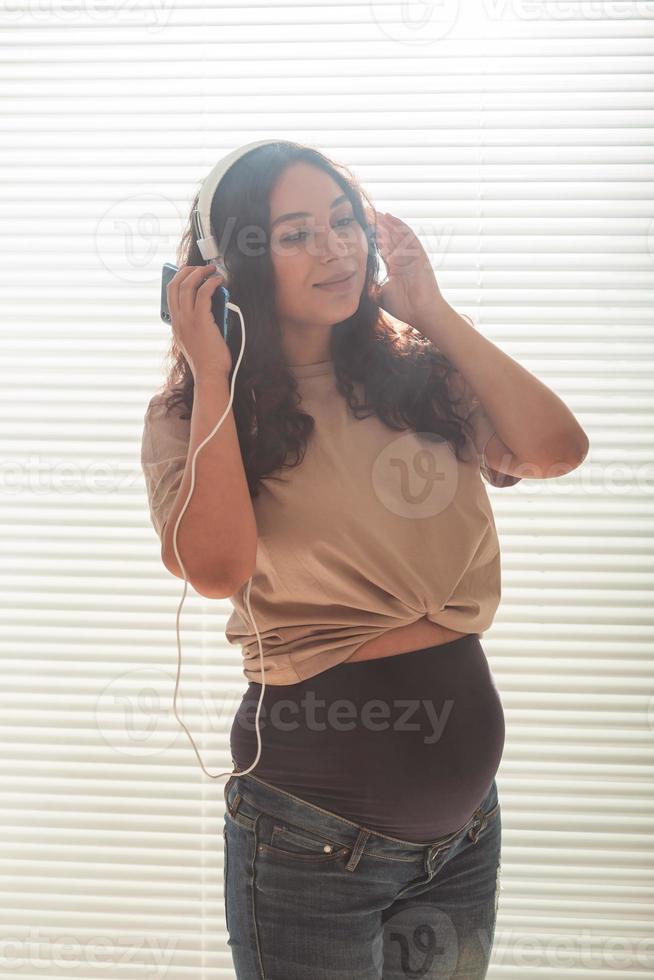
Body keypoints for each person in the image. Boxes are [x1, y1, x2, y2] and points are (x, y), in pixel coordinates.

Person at [141, 140, 588, 979]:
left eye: (345, 221)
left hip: (462, 837)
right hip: (308, 841)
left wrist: (439, 315)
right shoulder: (194, 413)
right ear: (228, 263)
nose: (336, 246)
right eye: (297, 231)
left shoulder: (424, 376)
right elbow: (217, 570)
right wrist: (211, 369)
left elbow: (557, 449)